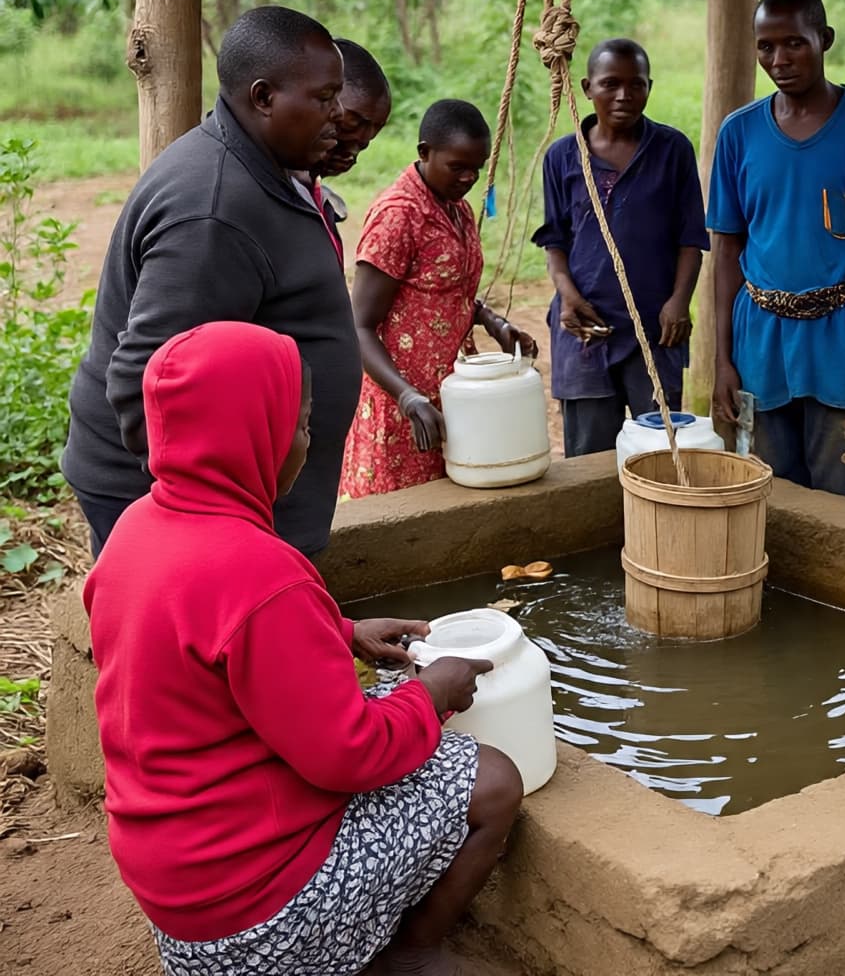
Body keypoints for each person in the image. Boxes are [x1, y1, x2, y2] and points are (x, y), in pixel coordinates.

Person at [85, 321, 522, 976]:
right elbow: (349, 756)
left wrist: (342, 633)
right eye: (301, 424)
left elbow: (202, 649)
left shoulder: (136, 531)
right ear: (248, 434)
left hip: (179, 895)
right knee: (491, 781)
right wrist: (433, 694)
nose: (307, 442)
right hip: (258, 918)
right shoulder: (262, 573)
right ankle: (410, 953)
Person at [62, 6, 362, 559]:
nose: (339, 115)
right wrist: (219, 533)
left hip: (248, 499)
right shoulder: (213, 212)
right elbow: (142, 383)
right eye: (324, 99)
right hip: (190, 511)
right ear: (264, 97)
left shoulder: (264, 168)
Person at [707, 0, 845, 500]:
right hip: (761, 341)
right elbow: (727, 252)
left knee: (839, 499)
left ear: (825, 40)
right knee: (767, 496)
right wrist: (721, 360)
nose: (779, 60)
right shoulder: (738, 134)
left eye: (795, 43)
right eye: (766, 47)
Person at [341, 100, 537, 498]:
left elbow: (447, 290)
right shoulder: (399, 216)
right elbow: (358, 326)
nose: (469, 178)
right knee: (401, 522)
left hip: (453, 400)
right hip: (403, 412)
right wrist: (407, 396)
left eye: (477, 169)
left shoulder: (457, 209)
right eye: (458, 167)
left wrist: (492, 321)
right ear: (425, 152)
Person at [532, 38, 708, 456]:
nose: (624, 96)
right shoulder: (562, 157)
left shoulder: (672, 150)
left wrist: (679, 302)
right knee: (590, 456)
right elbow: (555, 241)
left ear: (650, 87)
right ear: (587, 87)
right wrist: (568, 296)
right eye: (610, 84)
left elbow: (690, 239)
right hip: (587, 331)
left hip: (655, 328)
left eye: (637, 84)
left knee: (659, 450)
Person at [289, 38, 394, 259]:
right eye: (354, 122)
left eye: (376, 128)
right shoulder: (271, 191)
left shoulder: (311, 190)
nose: (364, 138)